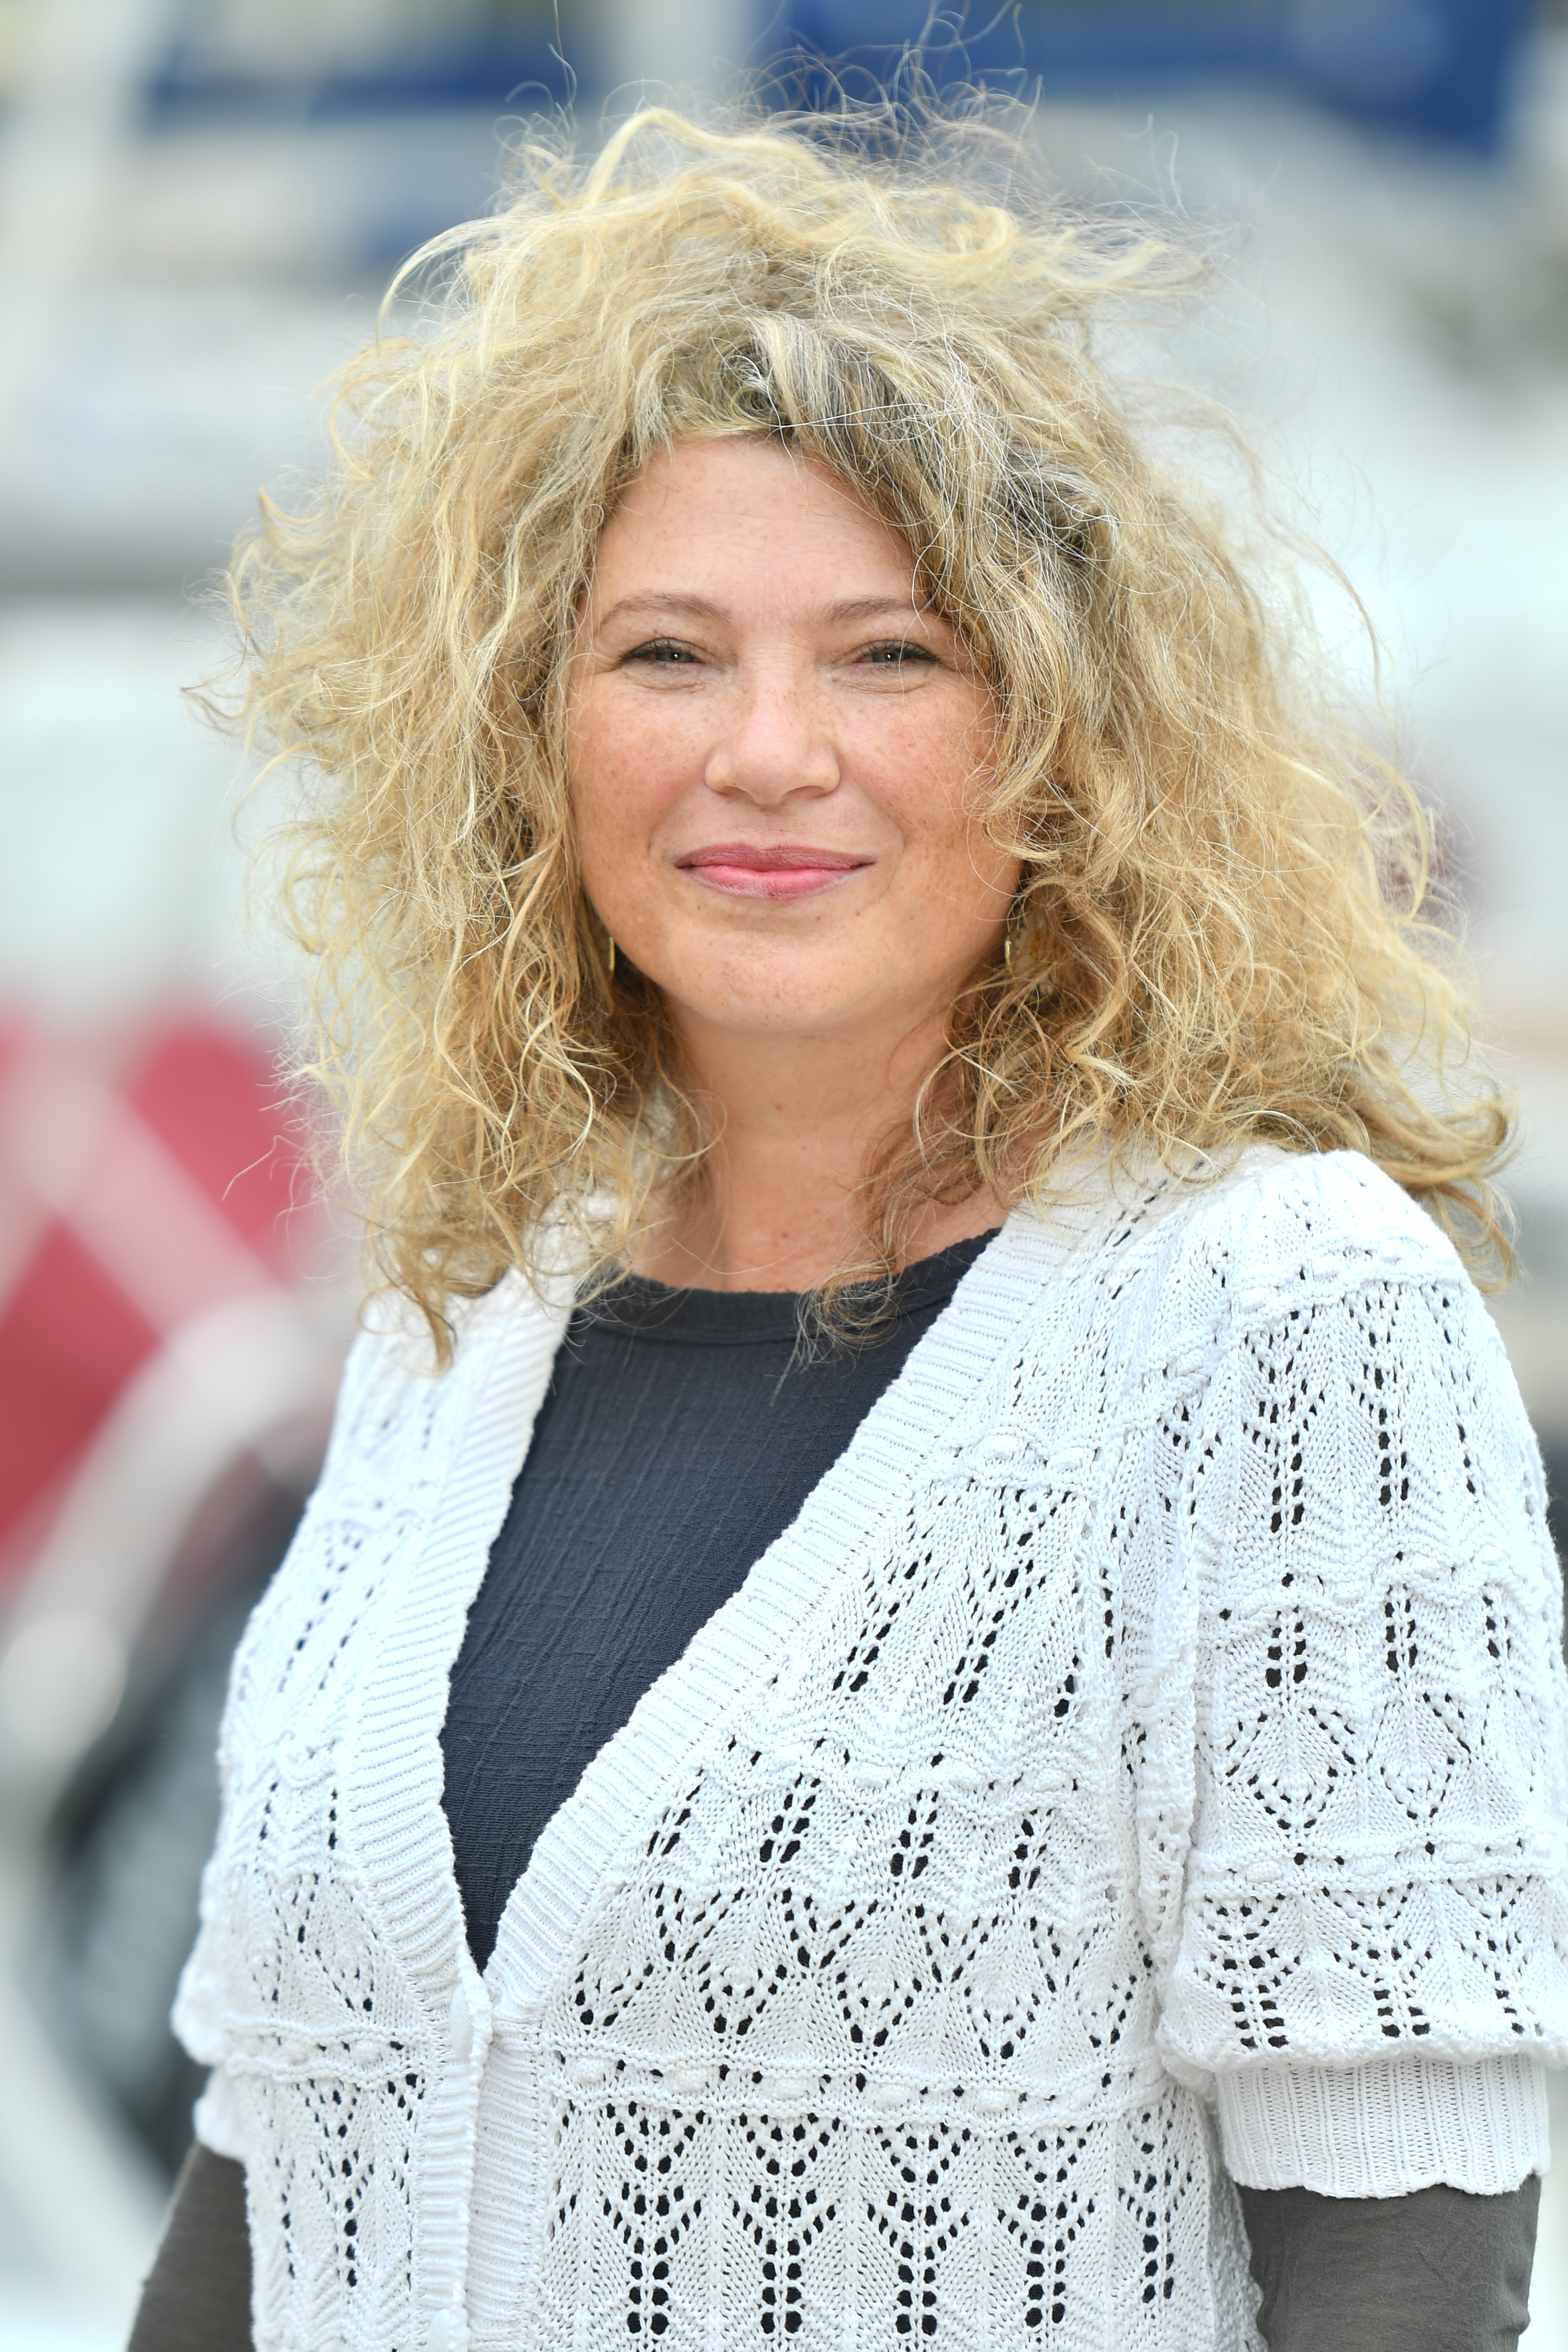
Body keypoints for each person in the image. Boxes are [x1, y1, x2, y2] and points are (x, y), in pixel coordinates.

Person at [130, 105, 1566, 2352]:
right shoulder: (468, 1332)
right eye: (667, 655)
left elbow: (1409, 2265)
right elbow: (263, 2186)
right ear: (531, 738)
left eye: (890, 655)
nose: (770, 751)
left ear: (1068, 737)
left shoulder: (1276, 1320)